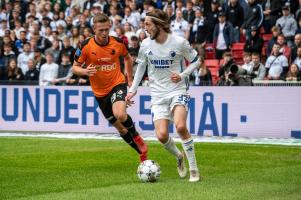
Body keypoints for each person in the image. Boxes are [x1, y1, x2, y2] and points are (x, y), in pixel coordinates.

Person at [126, 9, 200, 182]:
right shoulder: (145, 44)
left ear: (159, 25)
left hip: (177, 89)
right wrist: (132, 90)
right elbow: (141, 68)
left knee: (181, 127)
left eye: (148, 24)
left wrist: (182, 75)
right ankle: (179, 156)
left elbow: (196, 61)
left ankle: (194, 170)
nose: (145, 28)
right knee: (161, 135)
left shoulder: (179, 42)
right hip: (157, 94)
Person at [72, 13, 148, 162]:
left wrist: (130, 79)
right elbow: (75, 68)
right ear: (94, 29)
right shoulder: (85, 46)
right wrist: (85, 71)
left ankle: (137, 136)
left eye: (107, 29)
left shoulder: (117, 43)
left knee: (120, 114)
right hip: (100, 93)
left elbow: (127, 57)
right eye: (101, 30)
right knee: (120, 128)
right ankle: (141, 152)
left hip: (117, 84)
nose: (105, 33)